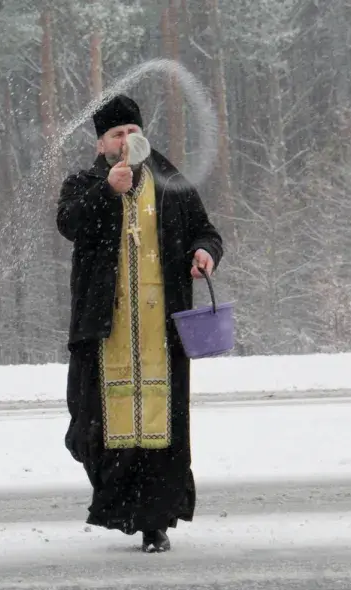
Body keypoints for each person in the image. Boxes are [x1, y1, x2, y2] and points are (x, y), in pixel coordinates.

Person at [56, 94, 224, 553]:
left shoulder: (171, 183)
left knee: (160, 425)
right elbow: (69, 224)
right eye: (116, 134)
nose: (126, 140)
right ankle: (117, 502)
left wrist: (205, 253)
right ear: (101, 144)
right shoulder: (83, 183)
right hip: (103, 331)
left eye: (132, 132)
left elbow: (205, 231)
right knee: (92, 425)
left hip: (161, 332)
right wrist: (107, 190)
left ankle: (154, 521)